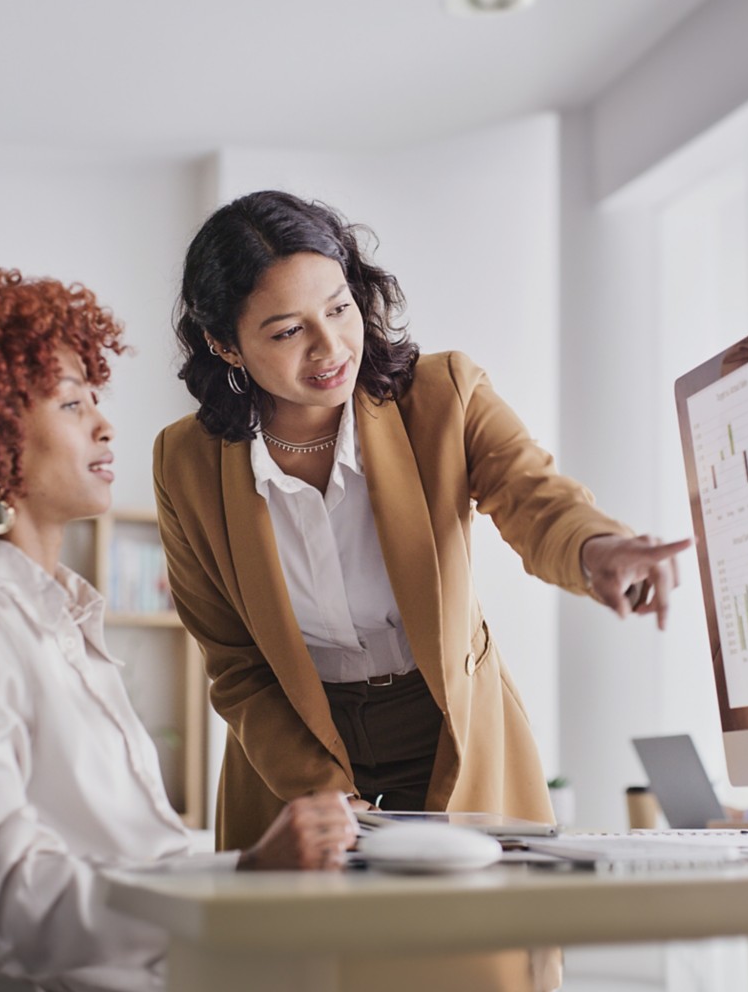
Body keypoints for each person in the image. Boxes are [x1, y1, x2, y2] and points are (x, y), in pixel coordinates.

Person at [0, 268, 355, 992]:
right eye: (71, 404)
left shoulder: (54, 622)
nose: (105, 425)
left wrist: (250, 877)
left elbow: (135, 862)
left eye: (95, 399)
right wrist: (250, 873)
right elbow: (14, 907)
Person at [153, 191, 691, 853]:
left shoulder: (444, 394)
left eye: (339, 308)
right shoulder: (187, 463)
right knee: (312, 952)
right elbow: (236, 664)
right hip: (293, 750)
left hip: (448, 731)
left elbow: (534, 496)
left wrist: (596, 547)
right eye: (288, 330)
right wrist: (315, 787)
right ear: (224, 345)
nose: (329, 347)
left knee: (469, 950)